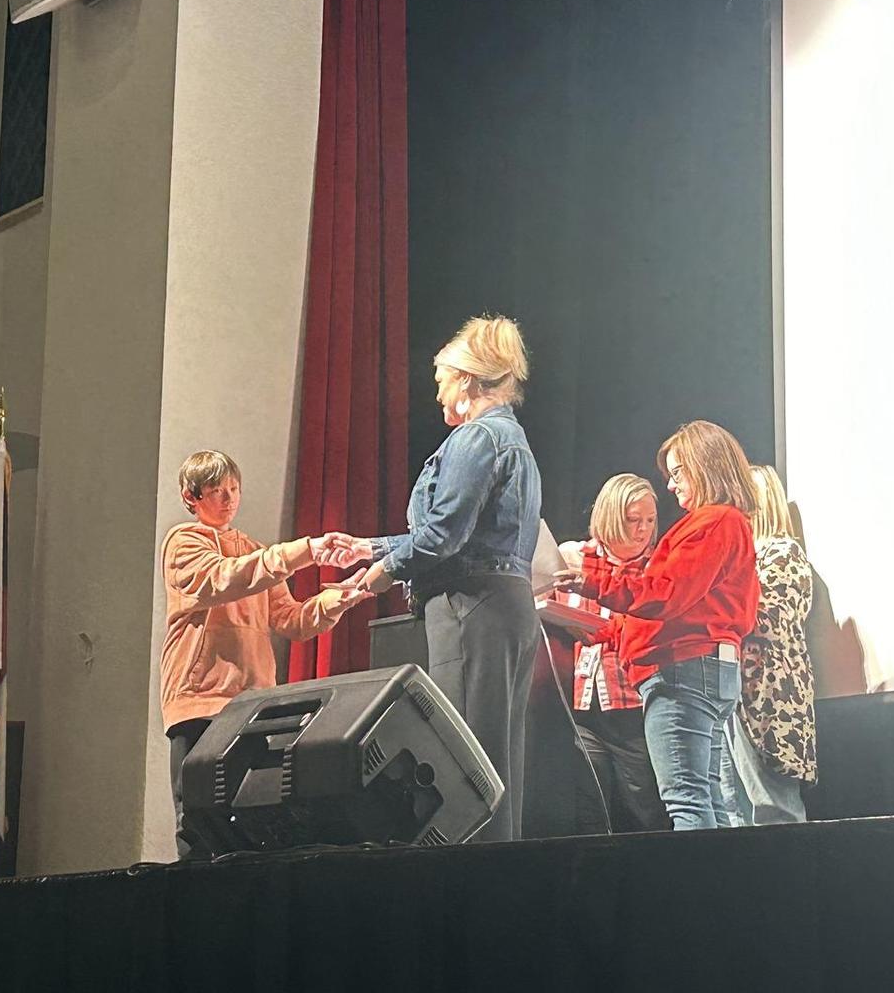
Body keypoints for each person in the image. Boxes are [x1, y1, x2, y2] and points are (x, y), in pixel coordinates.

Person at [338, 316, 542, 842]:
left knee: (467, 763)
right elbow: (462, 534)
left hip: (471, 606)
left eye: (442, 382)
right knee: (496, 761)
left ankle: (473, 881)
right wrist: (370, 548)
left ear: (468, 381)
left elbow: (444, 535)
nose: (437, 394)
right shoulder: (511, 438)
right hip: (504, 604)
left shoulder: (477, 437)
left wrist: (382, 572)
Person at [158, 450, 368, 858]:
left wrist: (336, 600)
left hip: (250, 705)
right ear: (191, 497)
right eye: (217, 491)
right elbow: (221, 579)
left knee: (250, 820)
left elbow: (291, 620)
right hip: (198, 701)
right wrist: (306, 551)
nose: (229, 499)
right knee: (197, 822)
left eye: (234, 489)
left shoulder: (253, 550)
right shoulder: (183, 542)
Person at [583, 420, 760, 830]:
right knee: (706, 798)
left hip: (684, 672)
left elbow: (665, 593)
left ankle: (694, 876)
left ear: (704, 466)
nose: (671, 484)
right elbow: (687, 604)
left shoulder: (712, 522)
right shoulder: (724, 523)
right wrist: (606, 631)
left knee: (687, 800)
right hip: (703, 668)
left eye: (678, 472)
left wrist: (591, 578)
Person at [551, 474, 671, 833]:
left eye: (649, 520)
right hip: (584, 706)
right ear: (610, 517)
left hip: (634, 708)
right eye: (634, 520)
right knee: (589, 810)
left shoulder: (657, 567)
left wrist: (607, 630)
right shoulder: (574, 557)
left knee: (643, 809)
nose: (643, 530)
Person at [718, 464, 818, 825]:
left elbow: (769, 621)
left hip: (769, 697)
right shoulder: (741, 556)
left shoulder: (782, 552)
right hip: (734, 693)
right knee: (733, 806)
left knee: (773, 807)